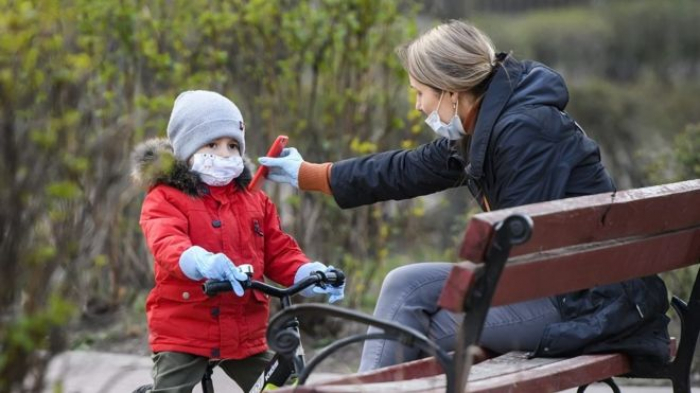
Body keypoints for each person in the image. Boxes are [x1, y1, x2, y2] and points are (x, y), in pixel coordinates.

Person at [258, 20, 671, 372]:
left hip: (586, 305)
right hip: (566, 288)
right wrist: (311, 175)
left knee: (414, 326)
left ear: (451, 91)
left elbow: (525, 256)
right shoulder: (487, 127)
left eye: (421, 92)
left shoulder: (522, 133)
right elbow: (407, 169)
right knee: (404, 285)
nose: (418, 107)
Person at [130, 90, 345, 393]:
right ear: (186, 149)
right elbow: (166, 240)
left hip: (244, 332)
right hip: (185, 328)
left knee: (281, 384)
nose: (224, 154)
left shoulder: (254, 201)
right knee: (171, 388)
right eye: (212, 145)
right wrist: (198, 260)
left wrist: (306, 273)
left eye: (232, 145)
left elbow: (278, 250)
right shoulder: (165, 198)